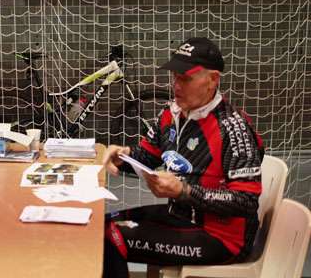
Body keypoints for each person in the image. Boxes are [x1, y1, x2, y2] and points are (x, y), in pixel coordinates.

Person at [102, 37, 264, 277]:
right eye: (174, 76)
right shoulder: (170, 113)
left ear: (213, 79)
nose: (176, 86)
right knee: (98, 225)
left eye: (185, 78)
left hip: (222, 238)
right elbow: (147, 156)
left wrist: (184, 191)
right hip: (180, 216)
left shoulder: (233, 128)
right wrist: (123, 156)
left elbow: (246, 201)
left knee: (111, 237)